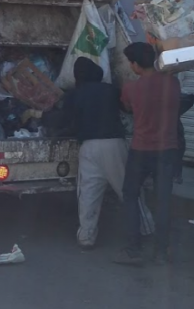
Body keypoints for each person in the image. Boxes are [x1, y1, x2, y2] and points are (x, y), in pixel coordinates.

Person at [58, 57, 154, 249]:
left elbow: (64, 122)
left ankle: (86, 236)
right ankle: (146, 228)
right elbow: (127, 109)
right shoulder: (110, 90)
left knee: (88, 194)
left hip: (88, 147)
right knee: (128, 190)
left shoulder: (73, 94)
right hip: (114, 145)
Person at [115, 42, 180, 267]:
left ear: (134, 65)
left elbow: (127, 108)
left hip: (141, 150)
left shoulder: (131, 89)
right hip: (168, 150)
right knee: (163, 200)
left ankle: (133, 249)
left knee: (130, 195)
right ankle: (162, 252)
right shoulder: (173, 83)